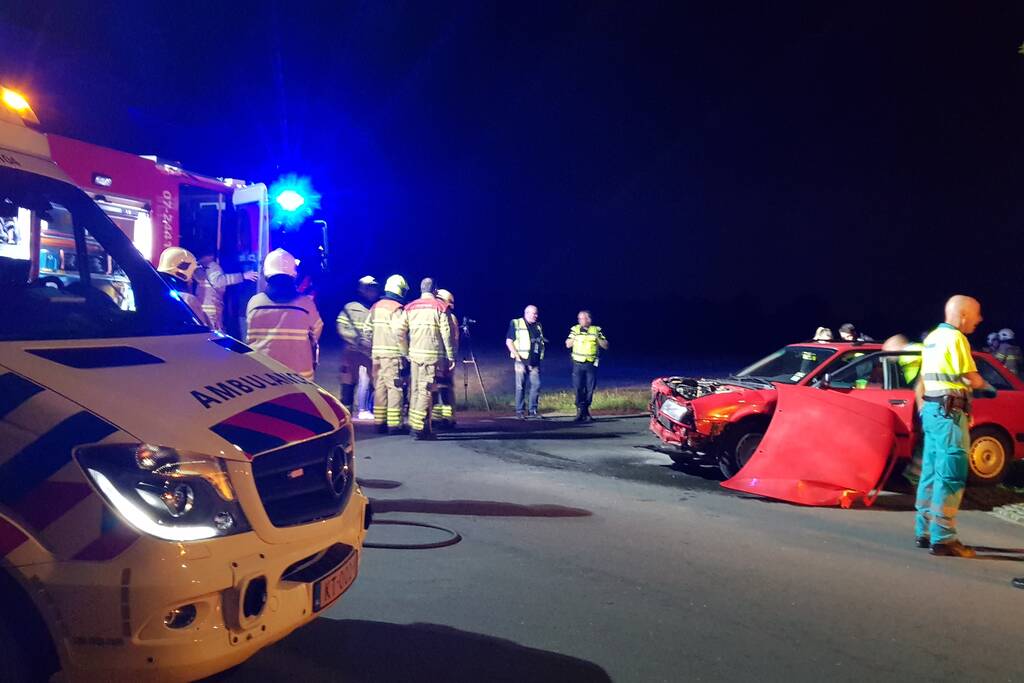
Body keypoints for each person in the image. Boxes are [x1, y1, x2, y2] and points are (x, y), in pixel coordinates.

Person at [914, 295, 995, 558]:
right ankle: (944, 538)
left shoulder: (933, 338)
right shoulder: (956, 338)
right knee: (950, 474)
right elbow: (971, 377)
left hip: (933, 410)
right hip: (950, 414)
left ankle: (924, 531)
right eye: (977, 314)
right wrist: (987, 386)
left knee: (930, 471)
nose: (979, 319)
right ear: (963, 314)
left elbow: (928, 379)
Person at [245, 248, 323, 380]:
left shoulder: (254, 302)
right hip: (300, 377)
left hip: (262, 377)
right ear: (293, 276)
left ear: (266, 274)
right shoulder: (306, 304)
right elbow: (315, 334)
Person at [394, 278, 455, 440]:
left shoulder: (410, 307)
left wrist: (405, 351)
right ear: (435, 290)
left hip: (415, 356)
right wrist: (450, 356)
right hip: (432, 356)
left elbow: (399, 331)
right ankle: (420, 428)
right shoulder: (441, 307)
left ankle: (416, 425)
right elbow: (447, 334)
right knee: (426, 391)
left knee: (415, 390)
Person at [362, 274, 409, 433]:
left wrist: (374, 346)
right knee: (394, 388)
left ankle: (380, 422)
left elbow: (367, 330)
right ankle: (394, 425)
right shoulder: (396, 308)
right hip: (392, 356)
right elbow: (399, 333)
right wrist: (405, 353)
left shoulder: (376, 306)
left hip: (376, 355)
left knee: (380, 387)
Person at [337, 276, 380, 417]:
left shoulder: (377, 308)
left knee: (374, 381)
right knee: (348, 382)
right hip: (352, 352)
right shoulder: (350, 307)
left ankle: (370, 411)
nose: (374, 292)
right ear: (363, 290)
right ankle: (345, 413)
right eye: (371, 289)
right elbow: (341, 327)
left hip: (369, 352)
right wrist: (356, 340)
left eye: (375, 289)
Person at [195, 247, 257, 331]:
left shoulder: (198, 267)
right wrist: (243, 276)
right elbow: (218, 281)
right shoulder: (212, 265)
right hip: (212, 309)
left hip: (202, 308)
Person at [566, 310, 609, 422]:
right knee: (578, 387)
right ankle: (579, 411)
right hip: (577, 363)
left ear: (589, 319)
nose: (580, 321)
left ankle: (586, 411)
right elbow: (567, 344)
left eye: (583, 318)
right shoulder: (575, 329)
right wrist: (575, 337)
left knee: (590, 388)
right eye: (579, 318)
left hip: (591, 364)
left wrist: (597, 338)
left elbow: (605, 345)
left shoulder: (596, 330)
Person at [506, 305, 545, 419]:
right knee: (520, 387)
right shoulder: (516, 323)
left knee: (536, 385)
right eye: (534, 313)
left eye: (536, 313)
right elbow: (509, 342)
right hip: (521, 361)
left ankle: (533, 410)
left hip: (534, 361)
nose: (536, 316)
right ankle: (520, 411)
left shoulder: (538, 325)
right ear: (527, 313)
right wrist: (517, 356)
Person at [157, 246, 212, 326]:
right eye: (192, 274)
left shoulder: (151, 295)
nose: (191, 280)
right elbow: (201, 329)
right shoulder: (187, 299)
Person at [432, 288, 460, 429]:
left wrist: (450, 358)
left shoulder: (449, 317)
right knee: (438, 389)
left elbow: (452, 340)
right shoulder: (442, 314)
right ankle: (439, 418)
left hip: (444, 361)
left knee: (444, 389)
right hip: (441, 359)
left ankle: (447, 419)